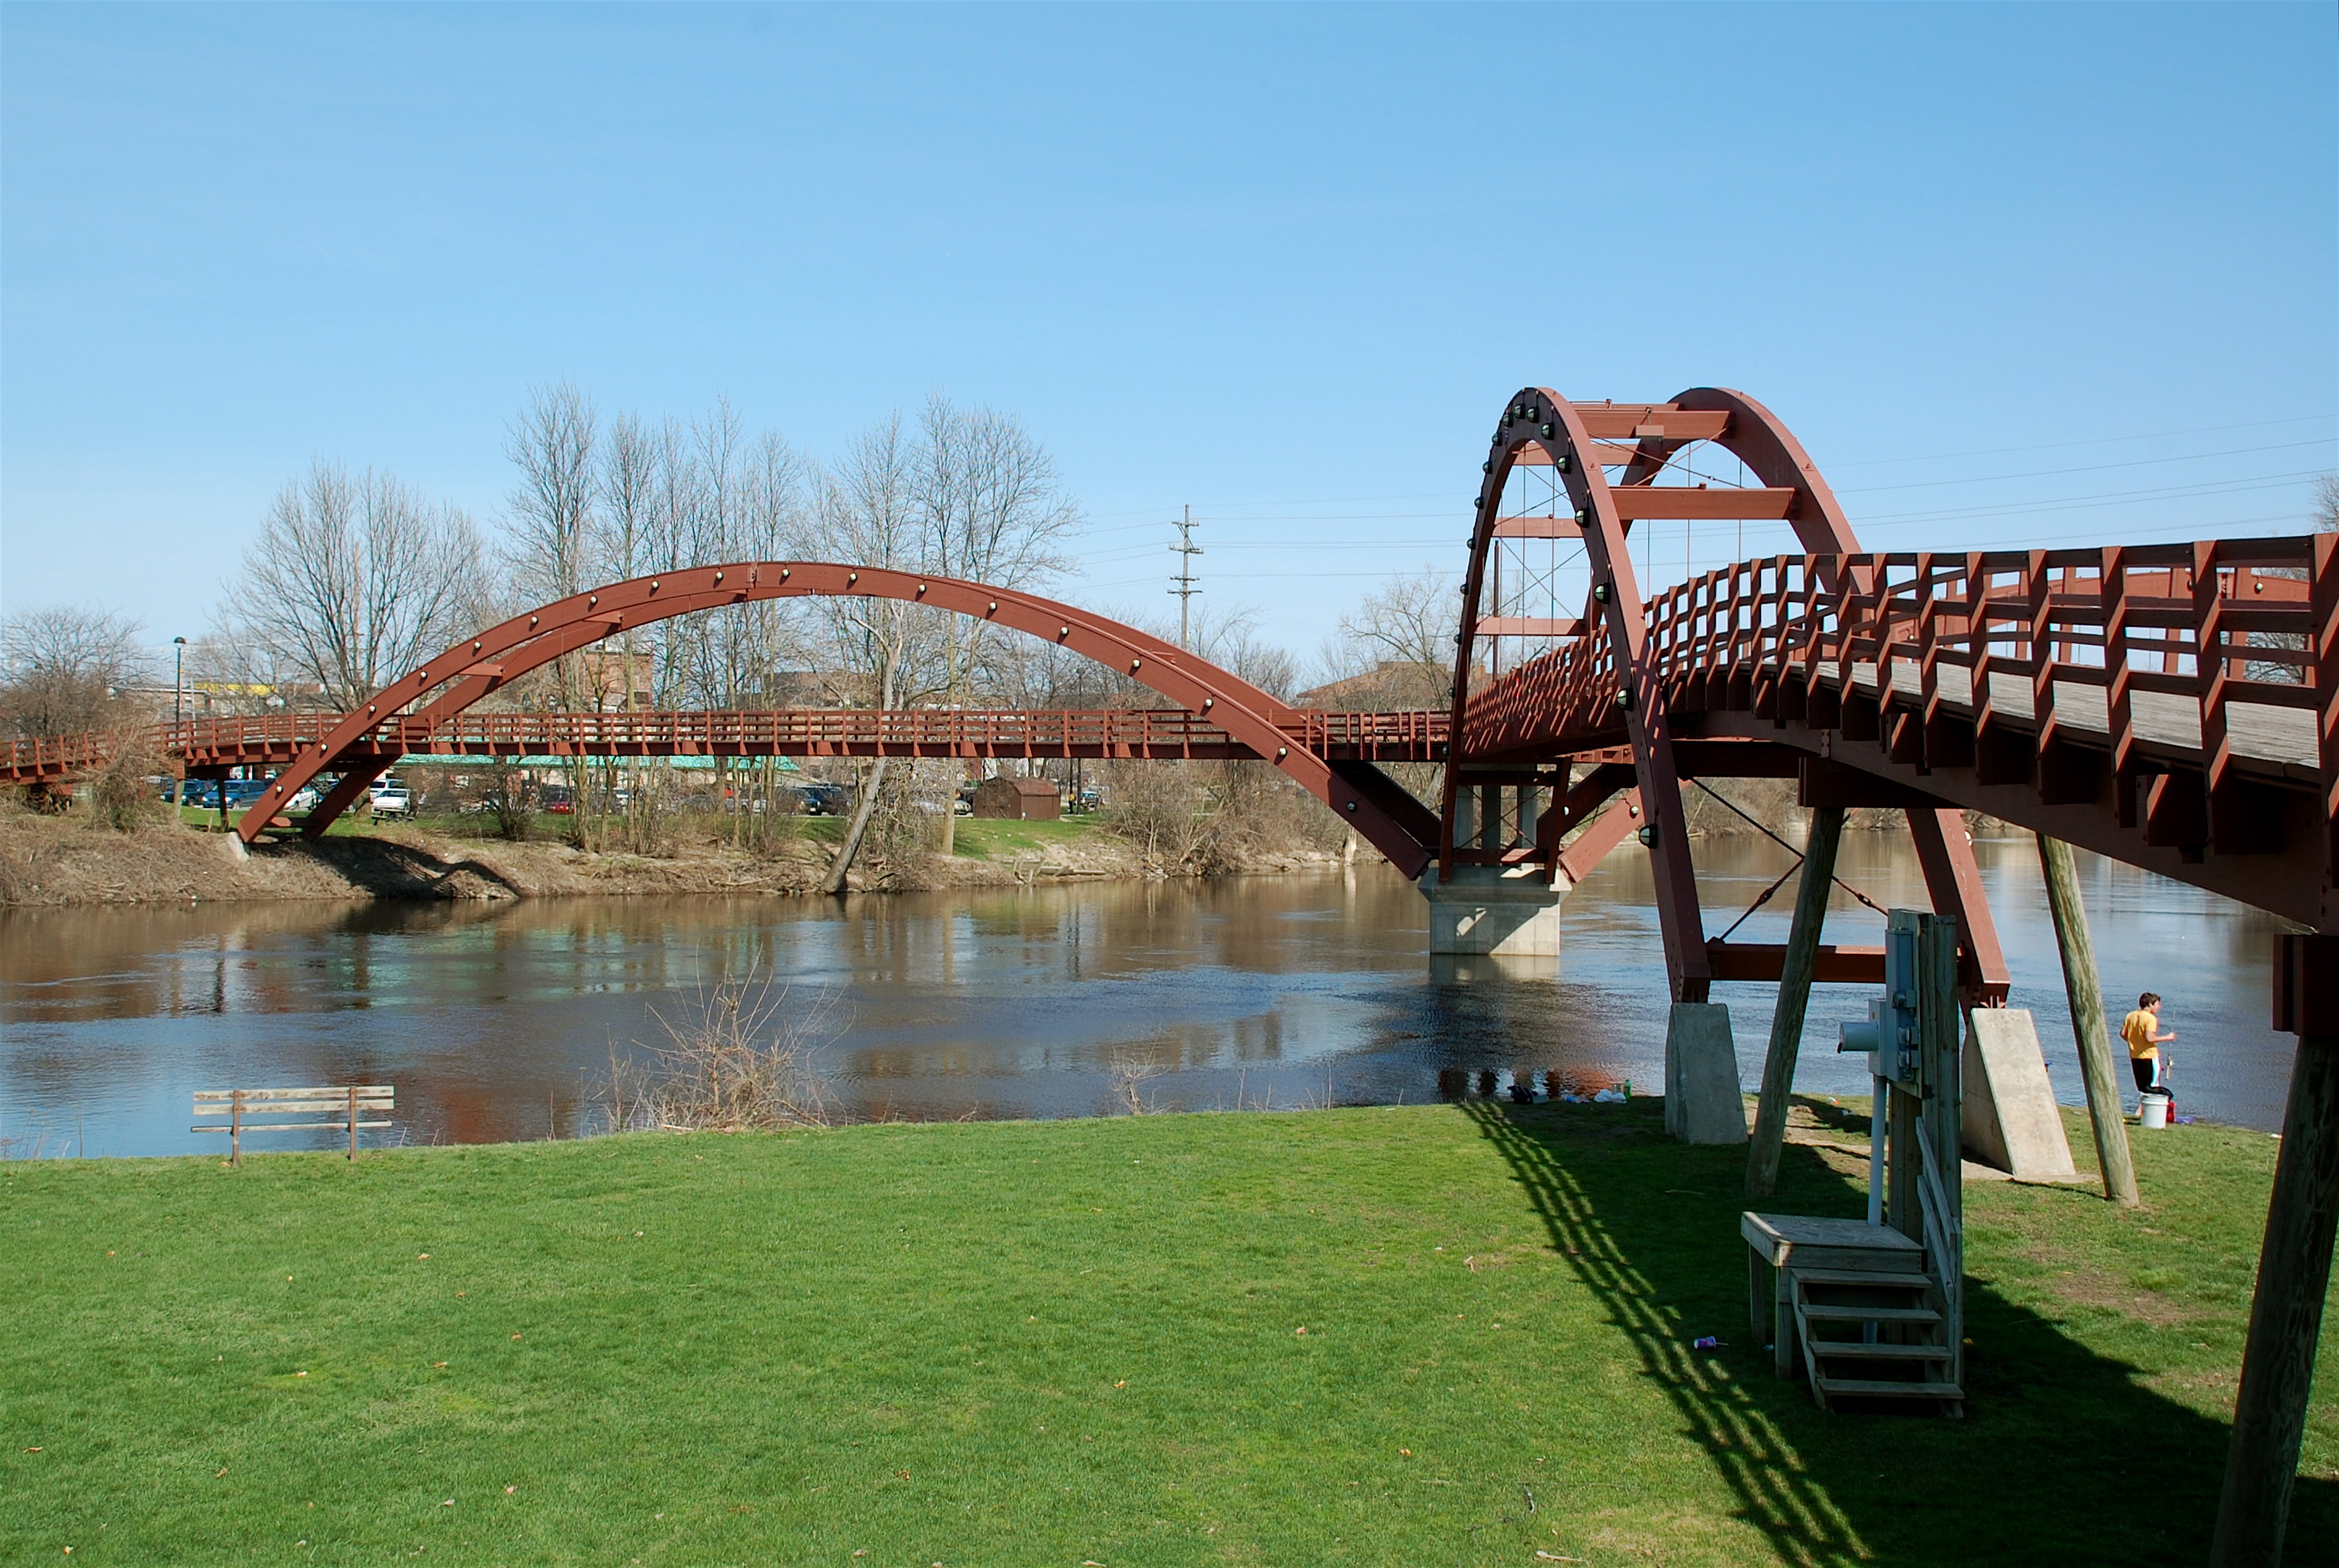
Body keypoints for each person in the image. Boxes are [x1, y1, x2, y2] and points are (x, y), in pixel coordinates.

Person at [2121, 992, 2176, 1111]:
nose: (2159, 1007)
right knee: (2152, 1086)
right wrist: (2168, 1037)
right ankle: (2157, 1110)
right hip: (2149, 1056)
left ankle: (2143, 1112)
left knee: (2142, 1087)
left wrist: (2135, 1042)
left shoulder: (2131, 1015)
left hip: (2135, 1055)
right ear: (2150, 1004)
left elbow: (2123, 1034)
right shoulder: (2151, 1018)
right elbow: (2150, 1038)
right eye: (2157, 1004)